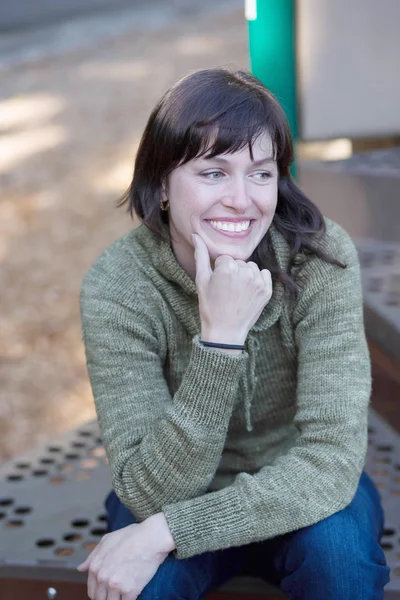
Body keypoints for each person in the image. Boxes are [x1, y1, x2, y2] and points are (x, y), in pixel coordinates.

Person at [78, 67, 390, 599]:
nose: (243, 201)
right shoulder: (119, 287)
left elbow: (330, 461)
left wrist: (168, 531)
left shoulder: (321, 259)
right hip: (173, 489)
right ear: (161, 187)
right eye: (213, 173)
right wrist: (220, 342)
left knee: (341, 563)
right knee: (139, 588)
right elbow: (150, 491)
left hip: (299, 488)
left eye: (261, 173)